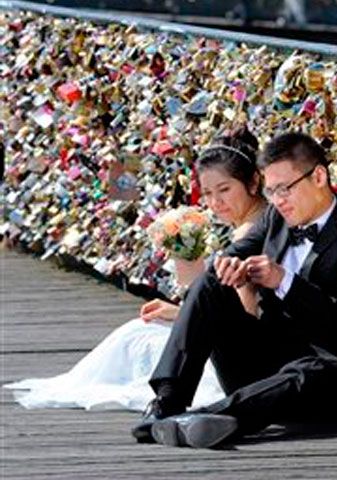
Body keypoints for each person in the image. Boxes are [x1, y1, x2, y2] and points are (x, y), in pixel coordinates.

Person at [132, 131, 337, 449]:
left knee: (318, 369)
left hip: (317, 377)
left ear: (319, 176)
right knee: (211, 280)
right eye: (271, 192)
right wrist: (228, 264)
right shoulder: (275, 217)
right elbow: (238, 249)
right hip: (258, 360)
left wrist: (285, 281)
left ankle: (209, 418)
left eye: (285, 189)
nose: (279, 200)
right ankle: (167, 404)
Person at [4, 126, 267, 412]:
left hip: (240, 354)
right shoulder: (256, 221)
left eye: (225, 190)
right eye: (207, 194)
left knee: (137, 336)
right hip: (238, 337)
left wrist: (183, 314)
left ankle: (168, 396)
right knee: (141, 332)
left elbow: (246, 315)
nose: (216, 203)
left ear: (253, 183)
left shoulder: (247, 234)